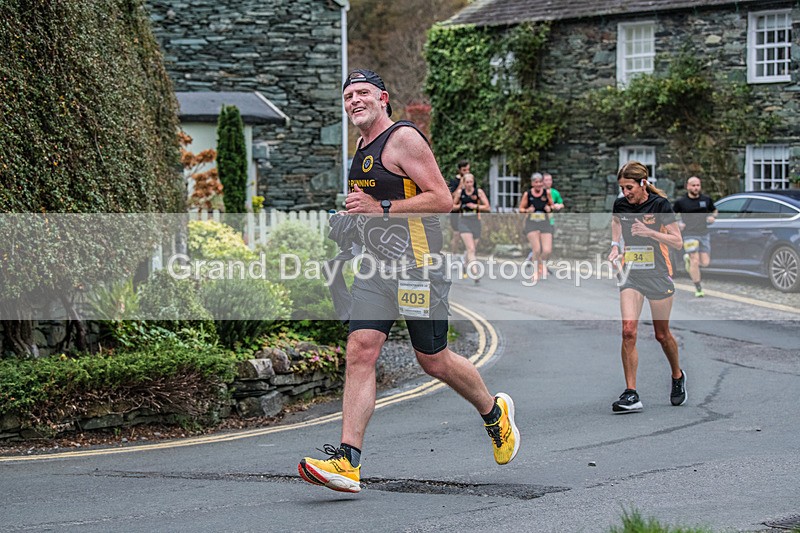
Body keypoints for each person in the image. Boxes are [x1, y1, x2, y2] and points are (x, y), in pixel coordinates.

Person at [298, 69, 520, 494]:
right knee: (360, 350)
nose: (354, 101)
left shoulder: (404, 139)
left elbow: (442, 200)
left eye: (362, 93)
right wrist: (350, 221)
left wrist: (379, 206)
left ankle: (494, 413)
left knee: (432, 360)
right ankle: (347, 462)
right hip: (376, 270)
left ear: (383, 98)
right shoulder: (361, 147)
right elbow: (373, 208)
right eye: (348, 96)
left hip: (419, 267)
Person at [608, 161, 687, 413]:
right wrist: (615, 246)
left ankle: (677, 375)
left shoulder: (660, 205)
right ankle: (631, 393)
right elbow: (617, 223)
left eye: (629, 187)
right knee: (628, 331)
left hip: (659, 274)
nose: (626, 193)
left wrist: (650, 232)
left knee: (661, 335)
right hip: (631, 273)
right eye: (622, 188)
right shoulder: (621, 205)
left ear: (642, 183)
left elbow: (677, 242)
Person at [672, 176, 717, 297]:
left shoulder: (706, 200)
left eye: (698, 185)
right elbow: (670, 216)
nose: (696, 188)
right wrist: (678, 223)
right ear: (688, 186)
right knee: (695, 260)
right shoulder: (681, 202)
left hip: (704, 234)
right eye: (693, 185)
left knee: (705, 262)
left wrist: (713, 217)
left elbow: (714, 210)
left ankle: (688, 260)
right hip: (689, 235)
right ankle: (698, 288)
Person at [452, 173, 490, 282]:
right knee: (471, 249)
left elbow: (487, 207)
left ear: (473, 182)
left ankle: (465, 263)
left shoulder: (478, 192)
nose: (469, 184)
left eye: (471, 182)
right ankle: (475, 273)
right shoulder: (460, 193)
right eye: (467, 182)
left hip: (475, 222)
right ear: (464, 183)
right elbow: (453, 206)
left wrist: (475, 206)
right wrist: (460, 206)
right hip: (464, 222)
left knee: (473, 249)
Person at [518, 172, 554, 282]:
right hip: (532, 223)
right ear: (532, 183)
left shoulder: (546, 193)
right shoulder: (527, 194)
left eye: (540, 182)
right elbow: (521, 209)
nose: (538, 184)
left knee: (547, 250)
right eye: (536, 182)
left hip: (544, 222)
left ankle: (541, 264)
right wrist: (527, 210)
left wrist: (549, 208)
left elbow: (551, 205)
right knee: (536, 249)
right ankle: (535, 272)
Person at [448, 160, 471, 257]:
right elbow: (451, 196)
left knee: (468, 235)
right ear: (459, 170)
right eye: (464, 170)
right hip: (456, 213)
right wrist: (461, 184)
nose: (467, 172)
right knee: (456, 235)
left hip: (467, 212)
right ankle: (453, 255)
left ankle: (466, 256)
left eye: (468, 170)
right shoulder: (453, 181)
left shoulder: (470, 180)